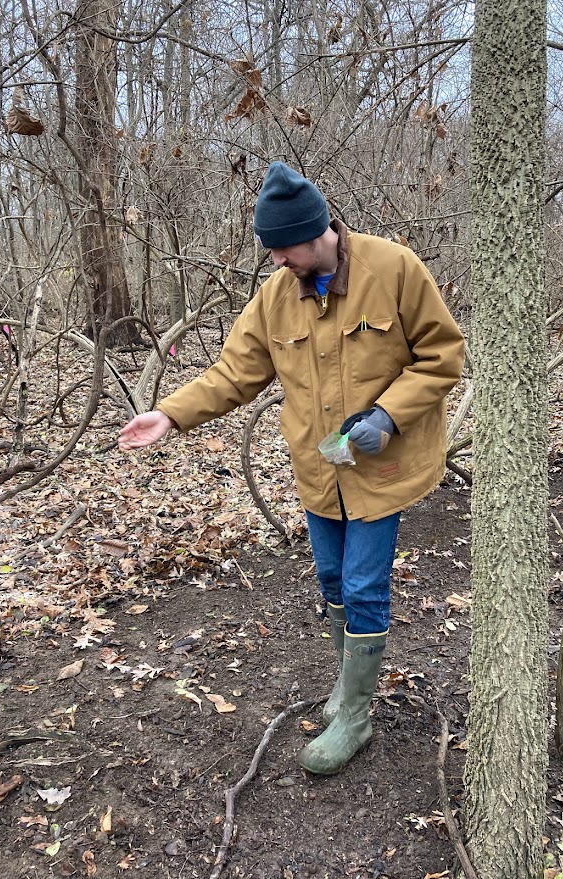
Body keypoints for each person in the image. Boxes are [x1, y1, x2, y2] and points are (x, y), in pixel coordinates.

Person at [119, 161, 465, 775]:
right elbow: (234, 374)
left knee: (362, 586)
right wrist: (170, 416)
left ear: (319, 231)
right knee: (332, 582)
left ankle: (355, 716)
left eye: (285, 249)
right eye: (271, 250)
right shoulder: (276, 296)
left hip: (380, 471)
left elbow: (443, 355)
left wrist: (388, 415)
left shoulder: (394, 268)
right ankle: (345, 684)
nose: (278, 261)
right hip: (319, 469)